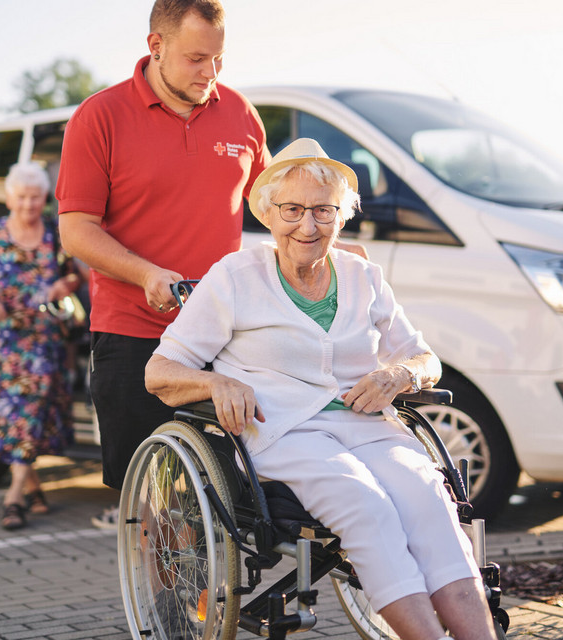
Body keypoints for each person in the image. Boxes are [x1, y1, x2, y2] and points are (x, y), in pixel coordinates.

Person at [145, 139, 498, 640]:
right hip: (283, 430)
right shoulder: (234, 278)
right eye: (292, 209)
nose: (307, 226)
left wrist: (400, 375)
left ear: (341, 217)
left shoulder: (364, 277)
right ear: (268, 213)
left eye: (323, 211)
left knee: (430, 502)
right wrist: (216, 381)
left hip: (368, 424)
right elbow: (160, 371)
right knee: (365, 505)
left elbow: (425, 359)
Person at [55, 0, 271, 526]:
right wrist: (146, 273)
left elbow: (273, 204)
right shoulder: (99, 116)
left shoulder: (240, 112)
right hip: (133, 335)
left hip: (223, 335)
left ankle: (221, 579)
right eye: (196, 58)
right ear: (156, 46)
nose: (210, 72)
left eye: (218, 58)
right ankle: (162, 580)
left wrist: (328, 237)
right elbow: (76, 229)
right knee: (152, 506)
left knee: (231, 495)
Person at [0, 163, 81, 530]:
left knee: (30, 413)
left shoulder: (54, 234)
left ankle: (13, 498)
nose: (28, 204)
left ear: (45, 199)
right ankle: (33, 487)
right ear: (9, 198)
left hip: (43, 341)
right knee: (12, 417)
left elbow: (76, 273)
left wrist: (64, 286)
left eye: (35, 197)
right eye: (21, 197)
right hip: (2, 342)